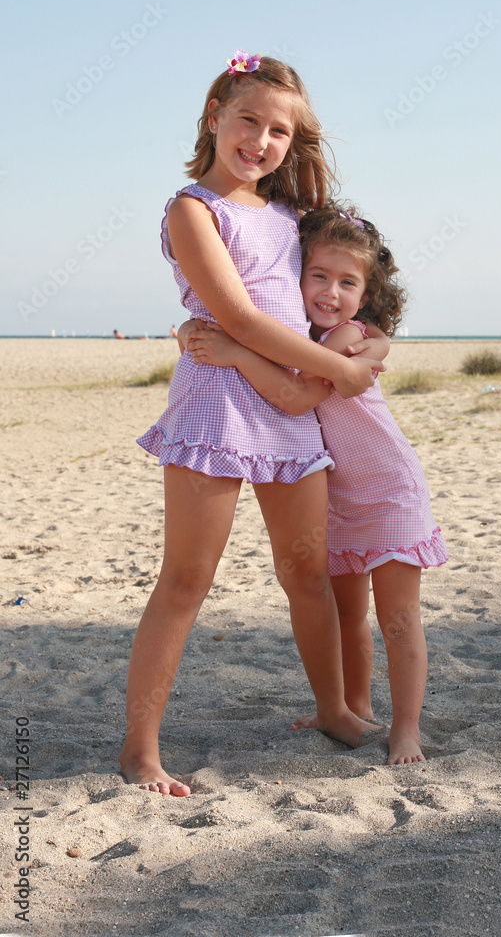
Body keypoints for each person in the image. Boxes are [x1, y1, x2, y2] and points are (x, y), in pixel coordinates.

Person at [121, 54, 385, 797]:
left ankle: (333, 708)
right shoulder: (192, 209)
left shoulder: (297, 220)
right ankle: (140, 749)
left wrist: (361, 350)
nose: (260, 141)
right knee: (185, 580)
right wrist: (334, 372)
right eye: (248, 120)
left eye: (278, 131)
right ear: (214, 115)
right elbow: (234, 315)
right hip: (215, 404)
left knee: (307, 572)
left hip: (289, 412)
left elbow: (351, 295)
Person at [181, 205, 448, 764]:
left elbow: (298, 396)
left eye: (347, 282)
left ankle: (406, 729)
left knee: (398, 618)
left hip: (387, 487)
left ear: (366, 292)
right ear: (296, 276)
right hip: (339, 495)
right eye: (318, 276)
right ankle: (352, 710)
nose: (330, 292)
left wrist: (233, 352)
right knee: (348, 615)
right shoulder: (304, 335)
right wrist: (192, 329)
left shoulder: (346, 336)